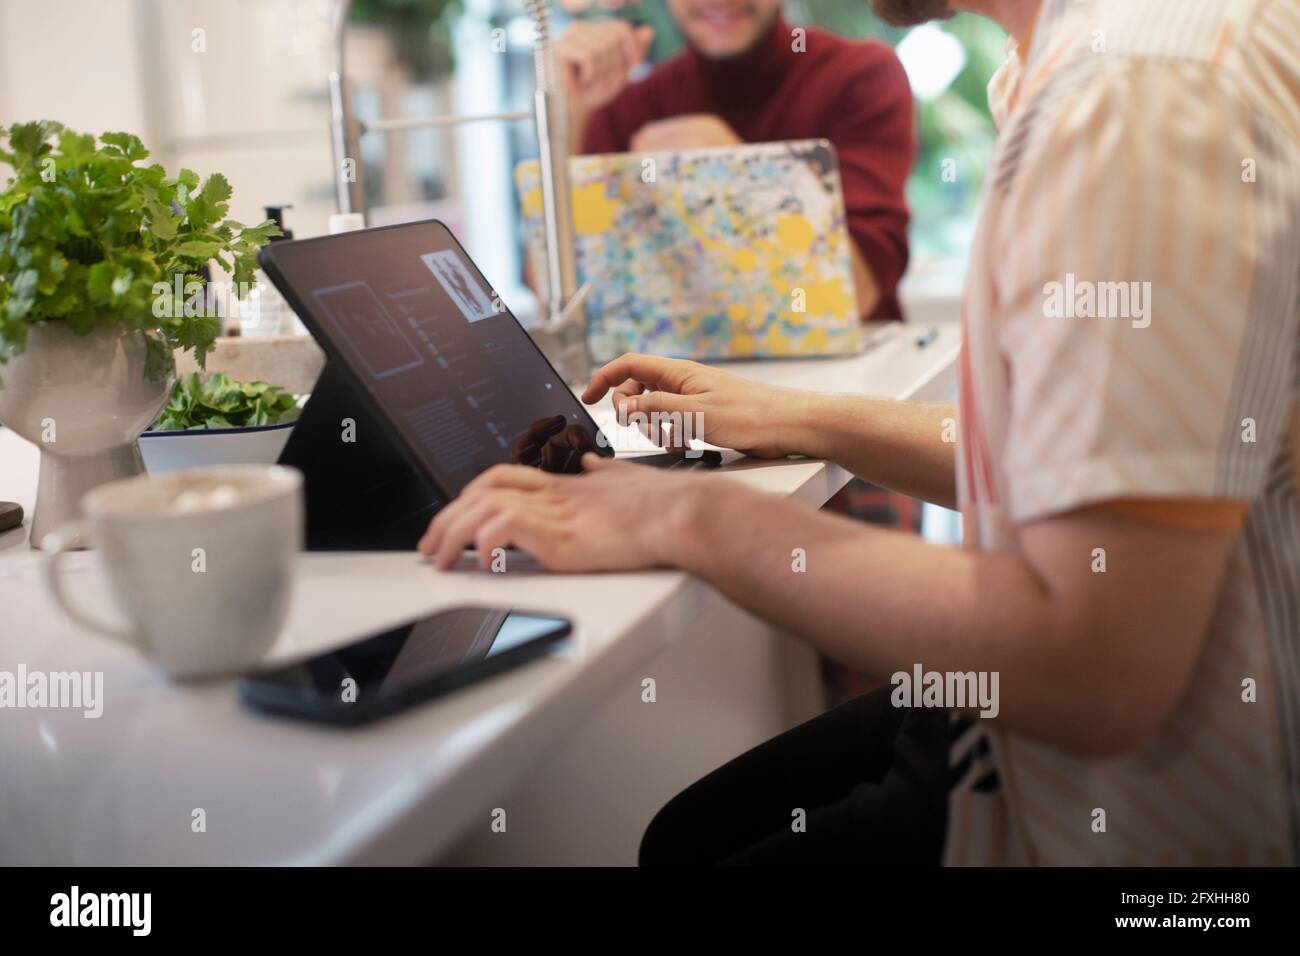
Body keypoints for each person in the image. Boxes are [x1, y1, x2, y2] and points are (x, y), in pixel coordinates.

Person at [422, 0, 1300, 866]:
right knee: (688, 834)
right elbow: (1084, 457)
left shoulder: (1133, 95)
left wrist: (685, 517)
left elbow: (1099, 668)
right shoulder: (1074, 67)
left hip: (1147, 815)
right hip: (1070, 737)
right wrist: (807, 416)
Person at [556, 0, 916, 320]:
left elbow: (858, 290)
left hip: (847, 384)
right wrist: (570, 115)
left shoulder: (860, 75)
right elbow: (562, 308)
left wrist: (736, 173)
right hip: (672, 383)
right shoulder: (621, 106)